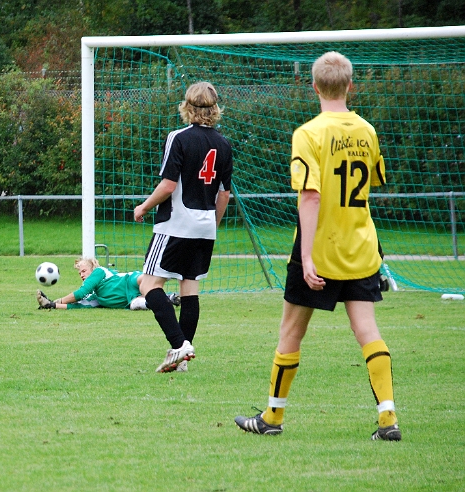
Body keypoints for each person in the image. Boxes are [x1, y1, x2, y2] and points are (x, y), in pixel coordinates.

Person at [234, 52, 400, 441]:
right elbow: (370, 185)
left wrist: (307, 256)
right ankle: (388, 419)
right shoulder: (367, 131)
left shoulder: (308, 133)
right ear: (350, 85)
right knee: (367, 331)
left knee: (290, 331)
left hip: (320, 250)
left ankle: (272, 418)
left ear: (314, 87)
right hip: (361, 248)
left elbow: (310, 196)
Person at [133, 81, 233, 373]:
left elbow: (168, 185)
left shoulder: (178, 137)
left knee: (148, 284)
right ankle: (181, 362)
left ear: (187, 107)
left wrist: (143, 207)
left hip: (176, 223)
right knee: (189, 289)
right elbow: (224, 194)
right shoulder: (224, 144)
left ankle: (180, 345)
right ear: (215, 109)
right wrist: (211, 225)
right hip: (204, 227)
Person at [36, 257, 180, 310]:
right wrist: (51, 305)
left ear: (92, 269)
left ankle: (174, 271)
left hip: (129, 282)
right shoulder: (96, 296)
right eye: (79, 273)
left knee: (146, 279)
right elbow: (78, 305)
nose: (81, 275)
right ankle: (170, 298)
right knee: (136, 305)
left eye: (84, 270)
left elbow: (80, 294)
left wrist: (58, 299)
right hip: (130, 300)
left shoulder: (99, 272)